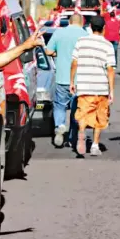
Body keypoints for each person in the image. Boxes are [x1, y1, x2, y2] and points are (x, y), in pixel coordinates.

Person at [70, 15, 116, 156]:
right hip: (101, 87)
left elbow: (74, 63)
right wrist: (111, 90)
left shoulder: (81, 42)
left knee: (83, 113)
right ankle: (95, 145)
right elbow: (110, 69)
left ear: (90, 27)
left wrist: (72, 81)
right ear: (103, 28)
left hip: (84, 86)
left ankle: (82, 134)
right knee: (99, 116)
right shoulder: (108, 45)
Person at [44, 13, 86, 148]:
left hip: (62, 77)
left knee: (60, 105)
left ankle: (60, 125)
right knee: (76, 108)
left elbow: (48, 51)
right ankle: (72, 137)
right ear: (82, 22)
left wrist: (59, 53)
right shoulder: (86, 35)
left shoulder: (59, 33)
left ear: (69, 21)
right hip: (80, 80)